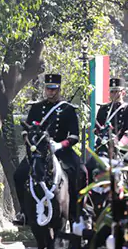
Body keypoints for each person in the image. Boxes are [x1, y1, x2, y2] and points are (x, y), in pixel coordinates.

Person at [13, 73, 81, 226]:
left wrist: (59, 145)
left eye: (53, 89)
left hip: (61, 151)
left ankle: (76, 212)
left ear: (59, 89)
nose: (50, 92)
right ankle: (23, 212)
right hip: (39, 151)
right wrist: (31, 143)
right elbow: (26, 131)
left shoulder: (67, 109)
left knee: (81, 171)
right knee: (19, 175)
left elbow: (75, 136)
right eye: (48, 89)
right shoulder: (37, 107)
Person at [86, 76, 128, 178]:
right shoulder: (103, 108)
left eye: (116, 91)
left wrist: (119, 143)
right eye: (112, 91)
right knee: (87, 168)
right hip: (103, 145)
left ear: (123, 93)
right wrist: (101, 132)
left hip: (121, 148)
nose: (114, 94)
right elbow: (96, 129)